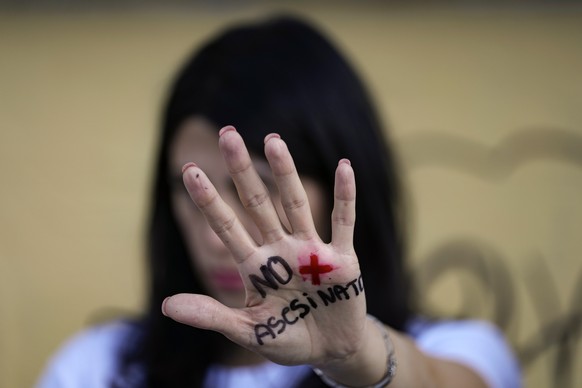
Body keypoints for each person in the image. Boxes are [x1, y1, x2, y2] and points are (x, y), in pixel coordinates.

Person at [37, 15, 521, 388]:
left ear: (339, 184)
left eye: (257, 187)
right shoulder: (96, 366)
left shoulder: (461, 349)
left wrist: (356, 355)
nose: (214, 237)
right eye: (192, 192)